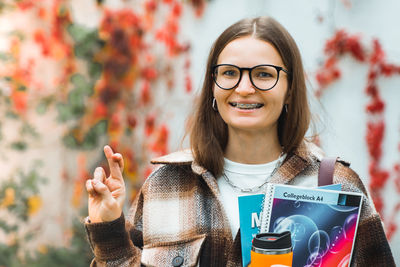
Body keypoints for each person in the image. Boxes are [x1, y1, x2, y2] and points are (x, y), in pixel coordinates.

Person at [84, 17, 395, 266]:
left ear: (289, 90)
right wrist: (109, 227)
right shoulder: (167, 185)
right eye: (230, 73)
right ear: (213, 88)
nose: (244, 88)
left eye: (263, 74)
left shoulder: (334, 186)